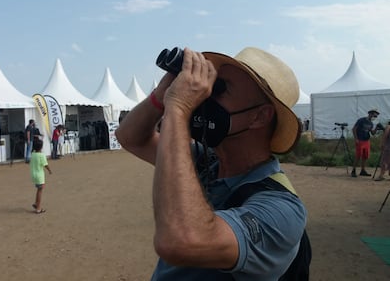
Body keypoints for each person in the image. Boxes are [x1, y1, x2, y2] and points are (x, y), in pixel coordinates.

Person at [115, 47, 309, 280]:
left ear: (259, 116)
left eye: (220, 88)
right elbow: (130, 137)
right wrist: (162, 94)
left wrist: (178, 108)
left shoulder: (281, 208)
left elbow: (181, 241)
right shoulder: (206, 163)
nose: (206, 95)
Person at [351, 108, 380, 177]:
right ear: (370, 114)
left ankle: (362, 170)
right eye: (374, 116)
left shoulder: (371, 123)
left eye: (375, 116)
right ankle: (353, 171)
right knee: (358, 156)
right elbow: (354, 129)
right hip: (360, 140)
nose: (374, 117)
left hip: (366, 141)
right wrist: (356, 139)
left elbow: (372, 133)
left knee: (365, 156)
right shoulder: (361, 120)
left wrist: (376, 128)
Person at [30, 139, 52, 214]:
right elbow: (45, 164)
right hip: (39, 176)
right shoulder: (41, 155)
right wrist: (49, 170)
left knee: (39, 189)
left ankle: (36, 203)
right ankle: (38, 208)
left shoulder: (33, 154)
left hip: (33, 175)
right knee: (40, 190)